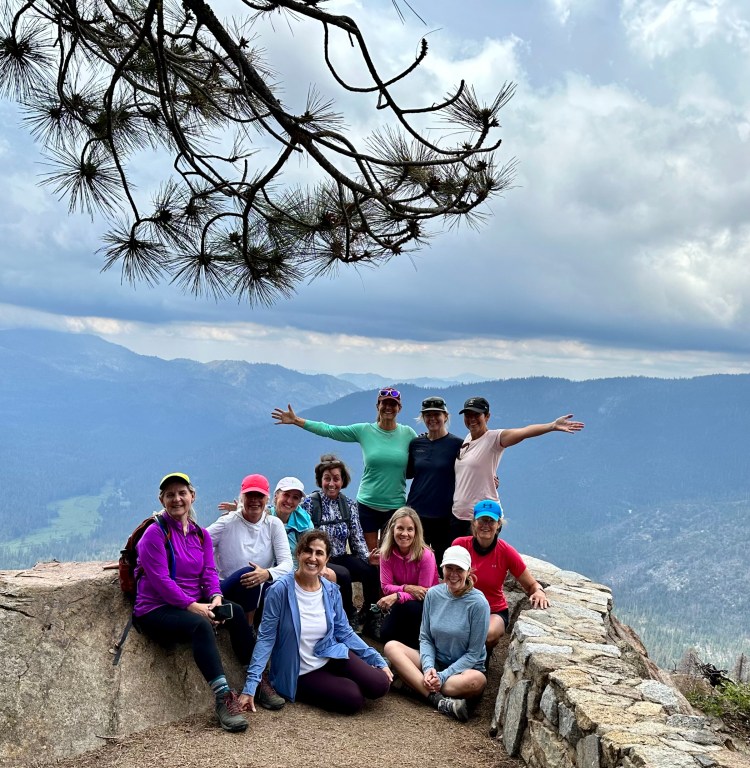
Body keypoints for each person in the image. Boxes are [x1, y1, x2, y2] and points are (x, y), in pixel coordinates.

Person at [133, 472, 254, 732]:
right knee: (200, 625)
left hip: (191, 602)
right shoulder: (154, 534)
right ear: (161, 499)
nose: (177, 499)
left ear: (192, 496)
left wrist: (215, 597)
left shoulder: (200, 535)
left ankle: (255, 680)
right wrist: (195, 607)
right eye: (170, 495)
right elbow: (161, 581)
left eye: (182, 493)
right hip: (155, 608)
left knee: (235, 611)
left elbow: (209, 572)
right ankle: (223, 699)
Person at [238, 530, 393, 715]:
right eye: (308, 551)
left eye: (319, 553)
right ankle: (319, 685)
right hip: (301, 670)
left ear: (327, 559)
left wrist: (376, 659)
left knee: (380, 684)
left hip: (329, 654)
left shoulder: (330, 590)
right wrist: (250, 686)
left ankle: (342, 677)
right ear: (298, 554)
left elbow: (344, 631)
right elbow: (266, 638)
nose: (312, 558)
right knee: (353, 699)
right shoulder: (279, 590)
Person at [272, 386, 418, 551]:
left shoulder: (408, 434)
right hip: (367, 504)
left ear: (399, 408)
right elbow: (330, 430)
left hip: (395, 506)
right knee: (371, 558)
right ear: (378, 406)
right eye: (384, 403)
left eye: (393, 404)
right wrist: (297, 421)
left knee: (393, 556)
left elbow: (424, 456)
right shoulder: (365, 430)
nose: (388, 408)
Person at [452, 397, 584, 539]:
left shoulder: (494, 439)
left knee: (477, 560)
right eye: (468, 415)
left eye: (477, 415)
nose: (472, 419)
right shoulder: (468, 438)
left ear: (487, 416)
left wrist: (552, 426)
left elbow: (524, 432)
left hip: (482, 517)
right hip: (459, 516)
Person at [384, 545, 489, 722]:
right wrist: (428, 668)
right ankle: (438, 701)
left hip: (463, 670)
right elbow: (425, 637)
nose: (453, 574)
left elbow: (474, 654)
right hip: (435, 663)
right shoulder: (433, 594)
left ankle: (413, 683)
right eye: (449, 568)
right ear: (442, 568)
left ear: (469, 571)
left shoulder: (479, 604)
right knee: (391, 647)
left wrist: (442, 676)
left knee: (477, 681)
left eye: (459, 569)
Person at [453, 499, 549, 654]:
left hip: (494, 610)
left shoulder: (506, 552)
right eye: (482, 520)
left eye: (491, 521)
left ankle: (483, 659)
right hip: (462, 606)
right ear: (473, 523)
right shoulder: (460, 545)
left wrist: (539, 591)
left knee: (488, 635)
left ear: (498, 524)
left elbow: (531, 584)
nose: (486, 525)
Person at [300, 454, 379, 631]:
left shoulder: (349, 505)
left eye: (336, 479)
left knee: (370, 570)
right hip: (319, 559)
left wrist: (368, 558)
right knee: (343, 574)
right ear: (320, 481)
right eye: (327, 478)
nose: (331, 483)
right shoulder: (310, 504)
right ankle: (348, 614)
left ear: (343, 481)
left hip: (340, 555)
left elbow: (357, 537)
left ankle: (371, 613)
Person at [206, 473, 293, 627]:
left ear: (267, 499)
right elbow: (196, 543)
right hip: (227, 588)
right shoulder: (227, 523)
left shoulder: (274, 525)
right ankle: (249, 628)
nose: (254, 500)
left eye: (259, 495)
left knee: (282, 586)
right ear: (242, 498)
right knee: (249, 574)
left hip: (259, 590)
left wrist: (267, 573)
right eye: (249, 495)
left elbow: (287, 564)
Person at [406, 396, 464, 564]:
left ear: (446, 416)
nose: (432, 419)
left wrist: (491, 478)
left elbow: (471, 468)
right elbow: (408, 473)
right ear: (422, 418)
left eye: (436, 414)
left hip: (444, 517)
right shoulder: (416, 443)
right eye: (427, 415)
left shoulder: (457, 445)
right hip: (416, 514)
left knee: (442, 564)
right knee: (414, 563)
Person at [376, 507, 439, 649]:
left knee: (410, 610)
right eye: (400, 528)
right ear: (393, 529)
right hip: (402, 603)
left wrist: (398, 595)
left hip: (425, 605)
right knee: (385, 633)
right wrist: (406, 588)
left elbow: (423, 593)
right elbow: (386, 587)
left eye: (410, 529)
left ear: (416, 532)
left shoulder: (426, 555)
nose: (405, 534)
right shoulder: (386, 553)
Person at [269, 476, 337, 583]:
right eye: (286, 495)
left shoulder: (303, 519)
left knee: (330, 575)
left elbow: (314, 543)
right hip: (270, 568)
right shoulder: (265, 517)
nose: (289, 501)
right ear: (276, 495)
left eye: (295, 497)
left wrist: (322, 566)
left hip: (298, 568)